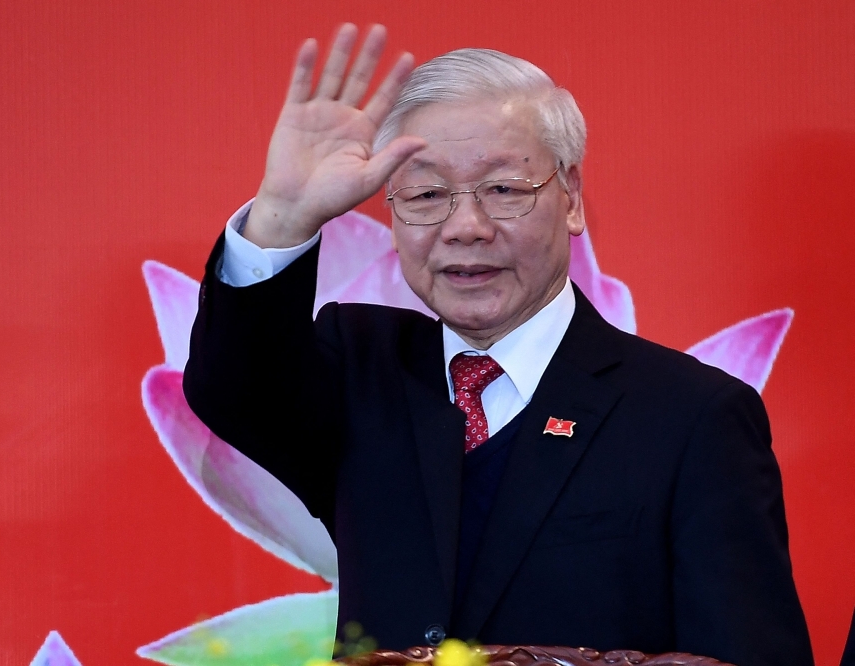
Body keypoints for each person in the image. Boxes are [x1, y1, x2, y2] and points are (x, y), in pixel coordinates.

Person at [184, 23, 813, 666]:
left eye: (504, 190)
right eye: (427, 195)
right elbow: (234, 388)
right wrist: (283, 217)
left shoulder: (690, 415)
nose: (466, 227)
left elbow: (750, 652)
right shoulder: (362, 370)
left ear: (570, 197)